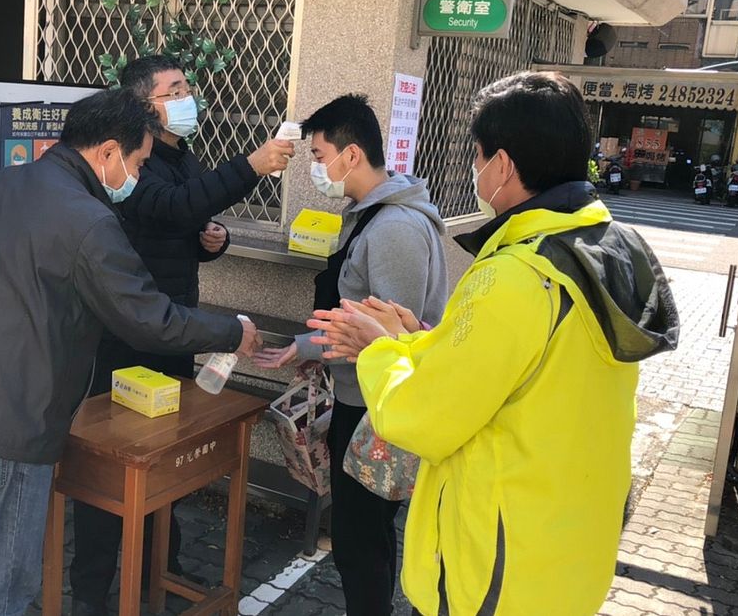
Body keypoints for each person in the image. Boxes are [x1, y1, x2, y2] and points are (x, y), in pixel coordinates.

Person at [309, 72, 679, 616]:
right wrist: (419, 342)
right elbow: (520, 374)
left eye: (478, 156)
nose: (475, 170)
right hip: (566, 547)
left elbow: (422, 418)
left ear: (501, 165)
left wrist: (381, 347)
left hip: (496, 568)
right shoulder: (601, 249)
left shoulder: (514, 274)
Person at [0, 89, 261, 616]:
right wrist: (232, 332)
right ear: (107, 152)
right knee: (1, 588)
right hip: (9, 430)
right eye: (139, 162)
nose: (138, 175)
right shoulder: (88, 222)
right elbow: (149, 318)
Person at [70, 54, 295, 616]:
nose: (185, 95)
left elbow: (183, 223)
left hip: (175, 332)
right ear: (142, 105)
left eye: (185, 86)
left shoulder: (180, 155)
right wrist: (252, 165)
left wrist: (208, 242)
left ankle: (156, 571)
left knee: (166, 462)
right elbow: (169, 208)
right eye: (172, 89)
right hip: (125, 339)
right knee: (111, 465)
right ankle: (90, 592)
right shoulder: (130, 165)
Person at [252, 93, 449, 616]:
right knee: (365, 536)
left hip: (374, 410)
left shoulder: (395, 229)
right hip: (359, 397)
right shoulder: (373, 215)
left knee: (360, 539)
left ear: (352, 155)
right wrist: (303, 346)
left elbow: (388, 337)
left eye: (319, 156)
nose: (316, 168)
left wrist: (309, 345)